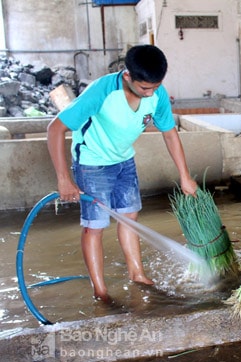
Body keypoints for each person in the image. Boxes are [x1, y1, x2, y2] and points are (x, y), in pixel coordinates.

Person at [47, 44, 197, 303]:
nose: (152, 92)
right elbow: (55, 129)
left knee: (129, 218)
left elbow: (170, 133)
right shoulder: (102, 91)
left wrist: (185, 175)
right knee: (95, 227)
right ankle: (100, 290)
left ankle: (137, 274)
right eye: (145, 88)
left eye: (156, 86)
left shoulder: (157, 94)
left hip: (124, 160)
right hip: (92, 163)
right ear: (128, 76)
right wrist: (64, 179)